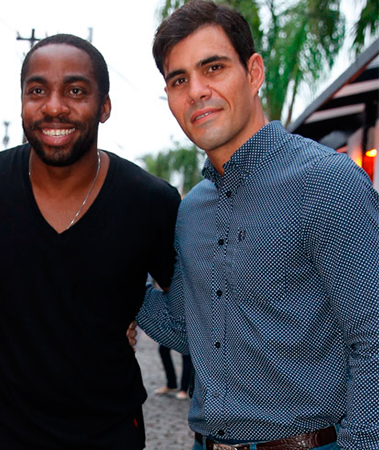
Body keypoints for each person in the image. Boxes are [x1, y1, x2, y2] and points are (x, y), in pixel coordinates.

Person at [136, 1, 379, 449]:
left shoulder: (326, 183)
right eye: (179, 79)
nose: (197, 91)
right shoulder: (192, 210)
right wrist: (116, 278)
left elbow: (374, 337)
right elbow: (191, 329)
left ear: (253, 72)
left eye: (213, 67)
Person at [0, 34, 181, 449]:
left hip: (111, 436)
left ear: (105, 106)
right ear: (21, 102)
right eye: (38, 91)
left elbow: (192, 311)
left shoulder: (150, 202)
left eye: (76, 91)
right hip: (6, 437)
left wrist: (132, 306)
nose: (54, 106)